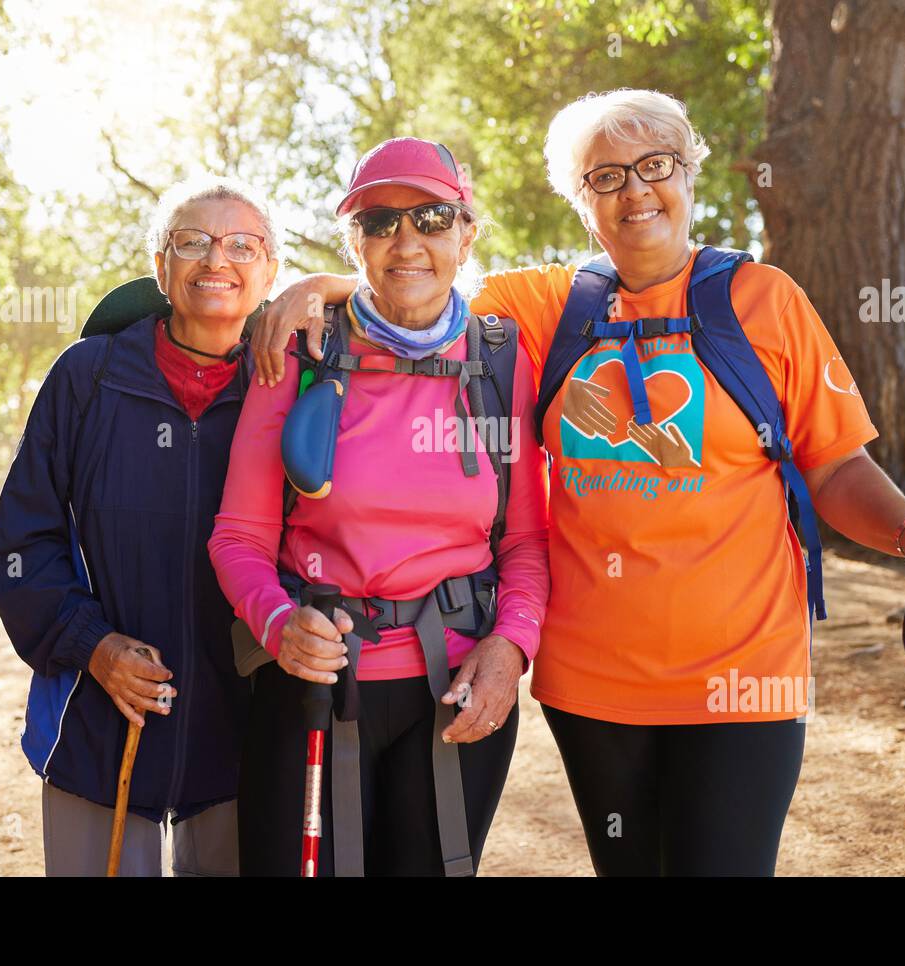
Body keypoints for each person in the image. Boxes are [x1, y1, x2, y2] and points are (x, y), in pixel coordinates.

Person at [252, 90, 905, 876]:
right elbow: (416, 289)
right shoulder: (538, 307)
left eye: (655, 165)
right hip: (593, 685)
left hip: (743, 675)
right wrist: (322, 286)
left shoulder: (765, 302)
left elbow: (837, 464)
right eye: (605, 176)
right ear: (580, 200)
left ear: (689, 172)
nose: (636, 190)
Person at [208, 137, 549, 876]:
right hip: (313, 690)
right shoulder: (300, 350)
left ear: (467, 233)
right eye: (379, 221)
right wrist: (277, 623)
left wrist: (511, 647)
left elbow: (525, 541)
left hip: (457, 691)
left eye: (430, 218)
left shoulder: (498, 359)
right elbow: (237, 535)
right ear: (354, 241)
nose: (406, 242)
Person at [0, 174, 278, 875]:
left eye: (243, 244)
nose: (216, 260)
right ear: (160, 267)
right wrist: (92, 645)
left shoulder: (289, 388)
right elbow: (23, 545)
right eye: (191, 243)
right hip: (98, 722)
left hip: (247, 732)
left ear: (271, 272)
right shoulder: (85, 379)